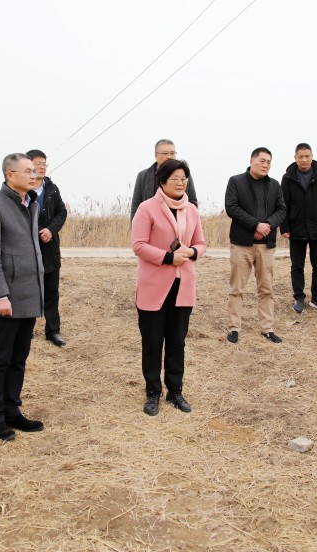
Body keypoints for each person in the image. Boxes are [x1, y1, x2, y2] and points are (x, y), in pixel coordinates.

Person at [0, 153, 45, 441]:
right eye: (27, 171)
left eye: (34, 171)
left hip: (28, 295)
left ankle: (12, 410)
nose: (33, 175)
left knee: (18, 359)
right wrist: (0, 295)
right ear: (10, 175)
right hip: (6, 298)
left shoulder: (31, 204)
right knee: (0, 360)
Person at [132, 159, 206, 416]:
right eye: (175, 178)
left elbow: (201, 243)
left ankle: (175, 391)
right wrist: (168, 257)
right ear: (162, 181)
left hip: (183, 285)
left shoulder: (191, 210)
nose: (180, 183)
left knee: (177, 341)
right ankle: (153, 393)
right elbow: (138, 245)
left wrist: (192, 252)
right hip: (154, 286)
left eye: (184, 178)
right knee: (152, 342)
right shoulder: (147, 208)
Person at [224, 147, 286, 344]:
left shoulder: (275, 185)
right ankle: (234, 328)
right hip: (241, 244)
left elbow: (282, 210)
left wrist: (267, 225)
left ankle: (267, 328)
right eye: (262, 161)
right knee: (237, 289)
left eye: (269, 162)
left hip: (266, 245)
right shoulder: (236, 181)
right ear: (252, 160)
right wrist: (255, 225)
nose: (266, 165)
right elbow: (231, 207)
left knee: (266, 289)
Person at [280, 143, 317, 314]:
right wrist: (285, 227)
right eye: (301, 157)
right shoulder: (288, 178)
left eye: (307, 156)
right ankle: (298, 298)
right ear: (295, 158)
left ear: (312, 157)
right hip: (296, 229)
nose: (304, 160)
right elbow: (283, 204)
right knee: (297, 266)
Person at [26, 149, 68, 347]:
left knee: (51, 291)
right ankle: (26, 329)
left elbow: (61, 212)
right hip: (29, 249)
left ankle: (53, 331)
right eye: (38, 164)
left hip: (50, 248)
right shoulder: (22, 190)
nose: (42, 167)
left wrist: (51, 230)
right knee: (30, 291)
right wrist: (37, 231)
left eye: (44, 164)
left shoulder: (52, 188)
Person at [130, 139, 198, 220]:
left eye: (172, 153)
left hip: (179, 222)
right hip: (152, 222)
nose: (169, 156)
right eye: (165, 153)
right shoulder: (143, 175)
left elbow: (192, 202)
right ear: (156, 155)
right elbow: (136, 204)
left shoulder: (184, 174)